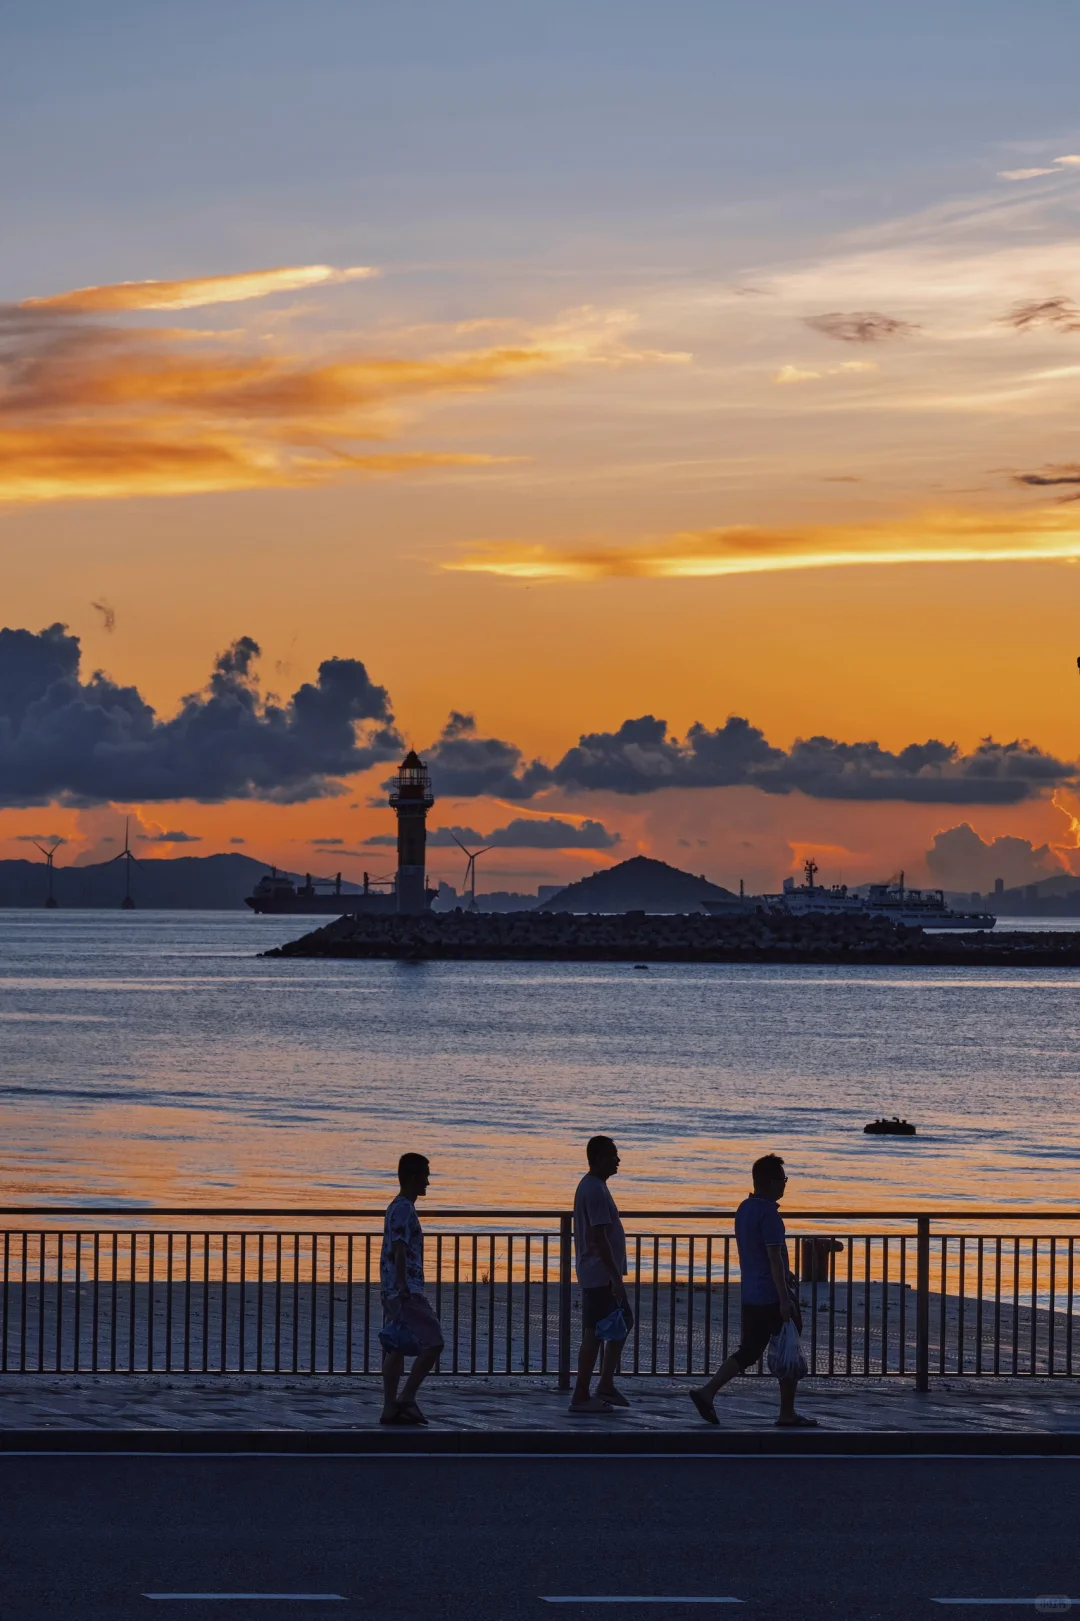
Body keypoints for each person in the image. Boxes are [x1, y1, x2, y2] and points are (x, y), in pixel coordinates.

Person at [688, 1153, 817, 1428]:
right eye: (782, 1179)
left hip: (751, 1293)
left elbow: (759, 1253)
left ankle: (708, 1391)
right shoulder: (769, 1213)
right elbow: (772, 1256)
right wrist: (785, 1299)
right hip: (772, 1295)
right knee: (788, 1347)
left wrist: (786, 1269)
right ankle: (787, 1412)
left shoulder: (744, 1208)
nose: (785, 1185)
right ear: (771, 1182)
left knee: (748, 1351)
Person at [379, 1152, 445, 1426]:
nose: (428, 1182)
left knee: (395, 1346)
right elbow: (399, 1248)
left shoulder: (397, 1207)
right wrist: (405, 1285)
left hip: (392, 1289)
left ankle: (389, 1408)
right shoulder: (404, 1208)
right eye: (425, 1176)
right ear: (414, 1177)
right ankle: (406, 1397)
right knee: (434, 1342)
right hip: (406, 1290)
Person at [570, 1134, 633, 1414]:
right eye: (613, 1155)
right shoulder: (594, 1189)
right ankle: (582, 1394)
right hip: (599, 1275)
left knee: (620, 1322)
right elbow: (599, 1237)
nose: (618, 1160)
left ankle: (604, 1383)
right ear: (598, 1158)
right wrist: (615, 1278)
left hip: (601, 1274)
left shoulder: (596, 1186)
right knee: (594, 1333)